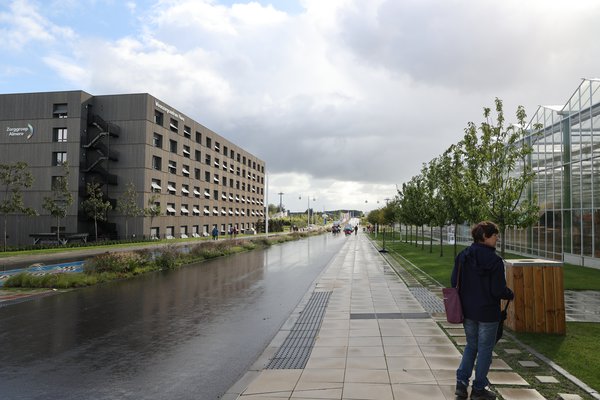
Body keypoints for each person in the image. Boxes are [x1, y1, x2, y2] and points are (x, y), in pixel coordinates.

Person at [451, 221, 514, 400]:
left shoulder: (463, 256)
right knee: (485, 350)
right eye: (495, 235)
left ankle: (461, 384)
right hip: (488, 313)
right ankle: (479, 389)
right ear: (485, 236)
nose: (497, 239)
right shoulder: (495, 261)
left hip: (468, 311)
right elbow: (498, 290)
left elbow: (454, 281)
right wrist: (510, 294)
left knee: (471, 346)